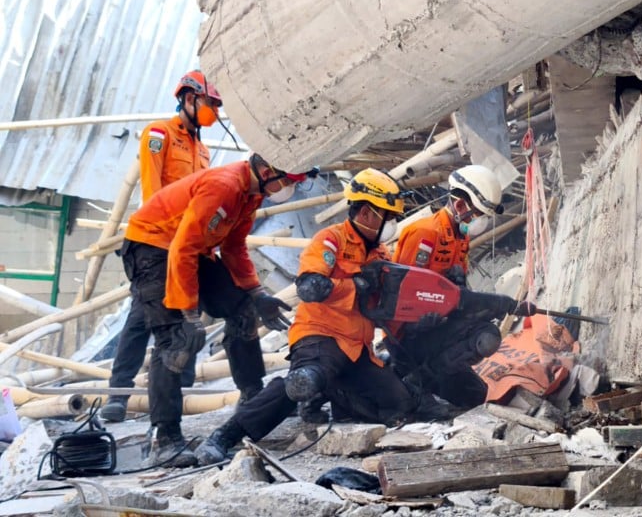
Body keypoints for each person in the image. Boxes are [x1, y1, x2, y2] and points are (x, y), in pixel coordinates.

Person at [193, 168, 417, 466]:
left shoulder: (381, 254)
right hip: (321, 335)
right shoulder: (331, 241)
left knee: (398, 403)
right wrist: (356, 284)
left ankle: (332, 391)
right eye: (388, 216)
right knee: (303, 381)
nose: (392, 223)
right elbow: (310, 287)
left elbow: (384, 307)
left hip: (356, 347)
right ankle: (226, 435)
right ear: (366, 213)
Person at [121, 152, 308, 466]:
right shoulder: (223, 186)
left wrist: (256, 293)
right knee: (176, 339)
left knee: (242, 311)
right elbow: (182, 248)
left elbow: (234, 247)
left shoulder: (251, 194)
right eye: (287, 180)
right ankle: (166, 438)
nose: (288, 186)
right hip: (153, 247)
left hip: (192, 248)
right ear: (265, 170)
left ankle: (252, 398)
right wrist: (188, 313)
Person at [101, 70, 221, 424]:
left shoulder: (203, 150)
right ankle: (119, 393)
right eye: (209, 103)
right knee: (141, 317)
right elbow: (154, 193)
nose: (213, 110)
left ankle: (182, 386)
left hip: (186, 245)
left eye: (215, 105)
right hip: (155, 242)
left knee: (188, 313)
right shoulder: (159, 134)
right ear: (188, 99)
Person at [386, 165, 535, 412]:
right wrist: (416, 323)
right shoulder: (424, 234)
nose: (481, 222)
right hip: (408, 336)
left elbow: (457, 295)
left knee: (475, 396)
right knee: (486, 336)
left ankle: (409, 375)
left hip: (436, 331)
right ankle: (413, 382)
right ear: (460, 205)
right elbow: (402, 293)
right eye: (479, 214)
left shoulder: (460, 239)